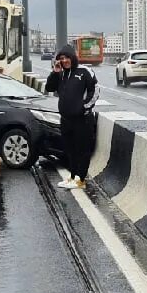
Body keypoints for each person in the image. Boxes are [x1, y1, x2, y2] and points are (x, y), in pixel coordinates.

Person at [43, 44, 97, 189]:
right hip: (66, 120)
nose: (65, 60)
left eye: (67, 57)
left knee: (82, 150)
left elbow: (95, 90)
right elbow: (49, 88)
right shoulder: (60, 73)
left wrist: (84, 107)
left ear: (73, 57)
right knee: (69, 150)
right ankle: (73, 176)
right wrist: (55, 72)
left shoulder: (84, 71)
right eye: (62, 58)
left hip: (83, 119)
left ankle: (80, 179)